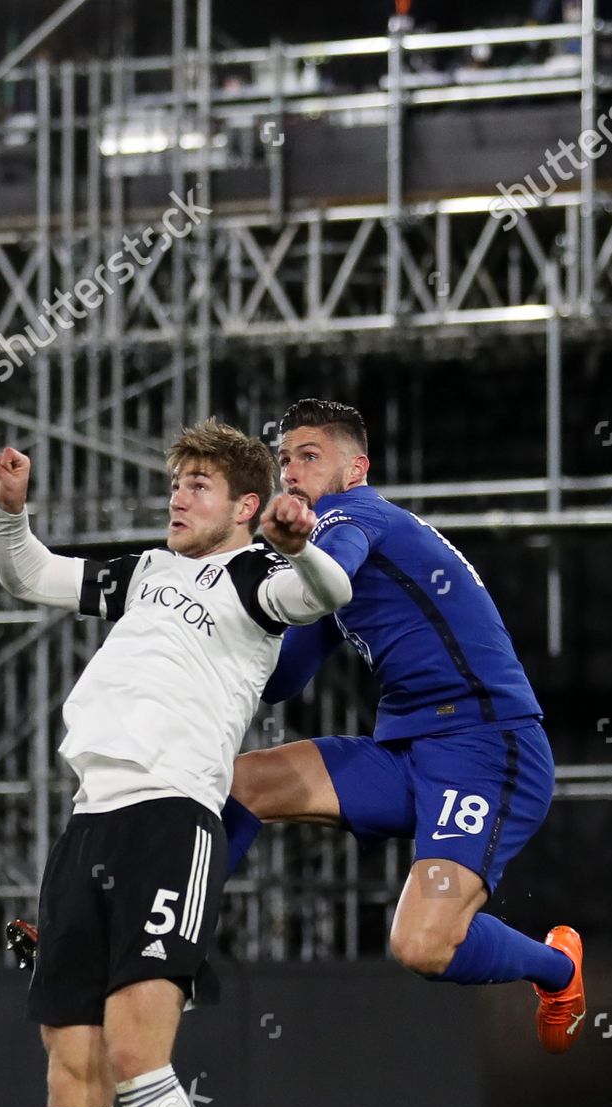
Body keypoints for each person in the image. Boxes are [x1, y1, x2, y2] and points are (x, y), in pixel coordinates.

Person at [0, 418, 351, 1107]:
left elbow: (327, 594)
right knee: (72, 1071)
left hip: (172, 819)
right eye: (177, 481)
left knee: (139, 1051)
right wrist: (9, 515)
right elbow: (30, 576)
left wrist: (298, 542)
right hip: (88, 825)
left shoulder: (252, 581)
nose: (179, 495)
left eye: (198, 485)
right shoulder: (141, 572)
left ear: (243, 505)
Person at [224, 399, 586, 1053]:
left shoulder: (355, 518)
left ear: (356, 467)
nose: (292, 472)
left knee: (421, 945)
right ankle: (161, 934)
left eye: (310, 456)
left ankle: (559, 970)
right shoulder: (325, 565)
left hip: (487, 746)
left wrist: (281, 560)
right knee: (235, 781)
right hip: (408, 752)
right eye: (284, 461)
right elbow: (280, 682)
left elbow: (329, 566)